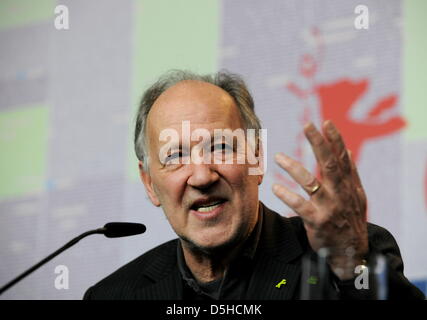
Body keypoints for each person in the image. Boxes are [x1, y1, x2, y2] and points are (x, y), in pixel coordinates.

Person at [84, 70, 424, 300]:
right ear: (149, 183)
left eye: (219, 147)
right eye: (176, 156)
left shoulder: (348, 256)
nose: (202, 177)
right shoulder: (113, 295)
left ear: (256, 159)